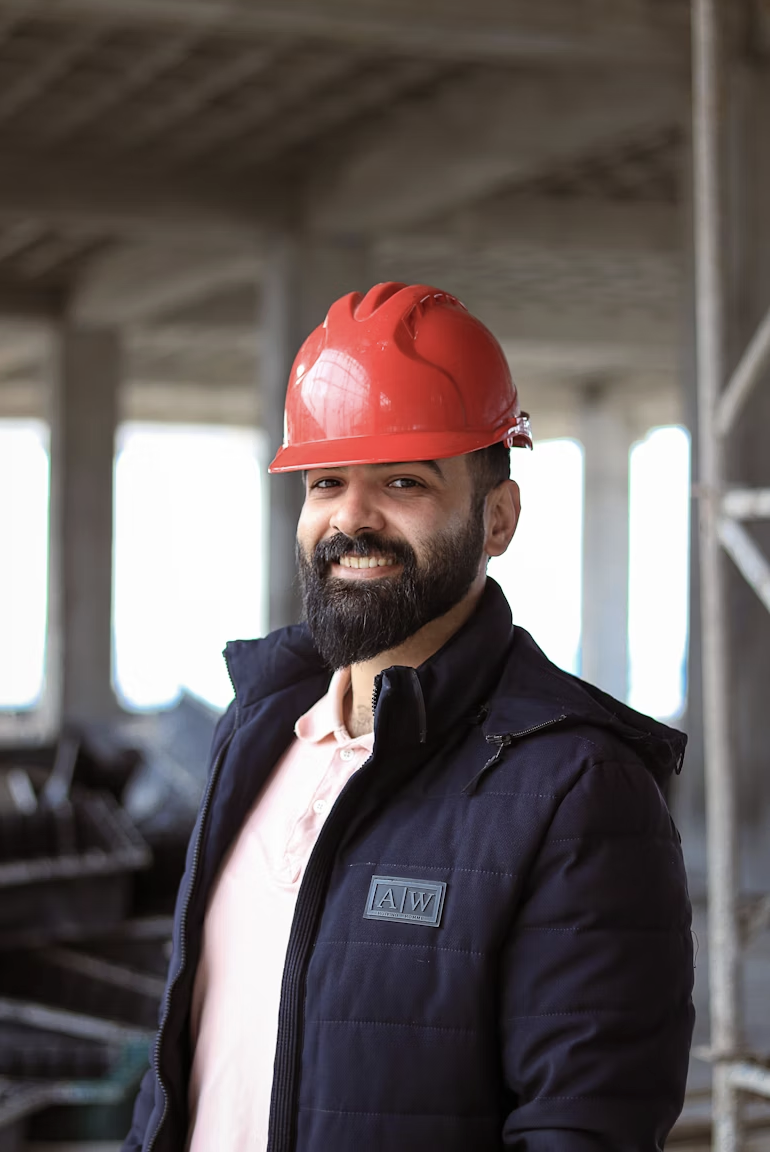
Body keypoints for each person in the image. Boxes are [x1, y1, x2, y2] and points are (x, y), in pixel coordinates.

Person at [124, 282, 694, 1152]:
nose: (351, 517)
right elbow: (185, 1072)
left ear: (497, 518)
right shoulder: (256, 730)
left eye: (402, 481)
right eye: (326, 482)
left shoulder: (575, 785)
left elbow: (581, 1129)